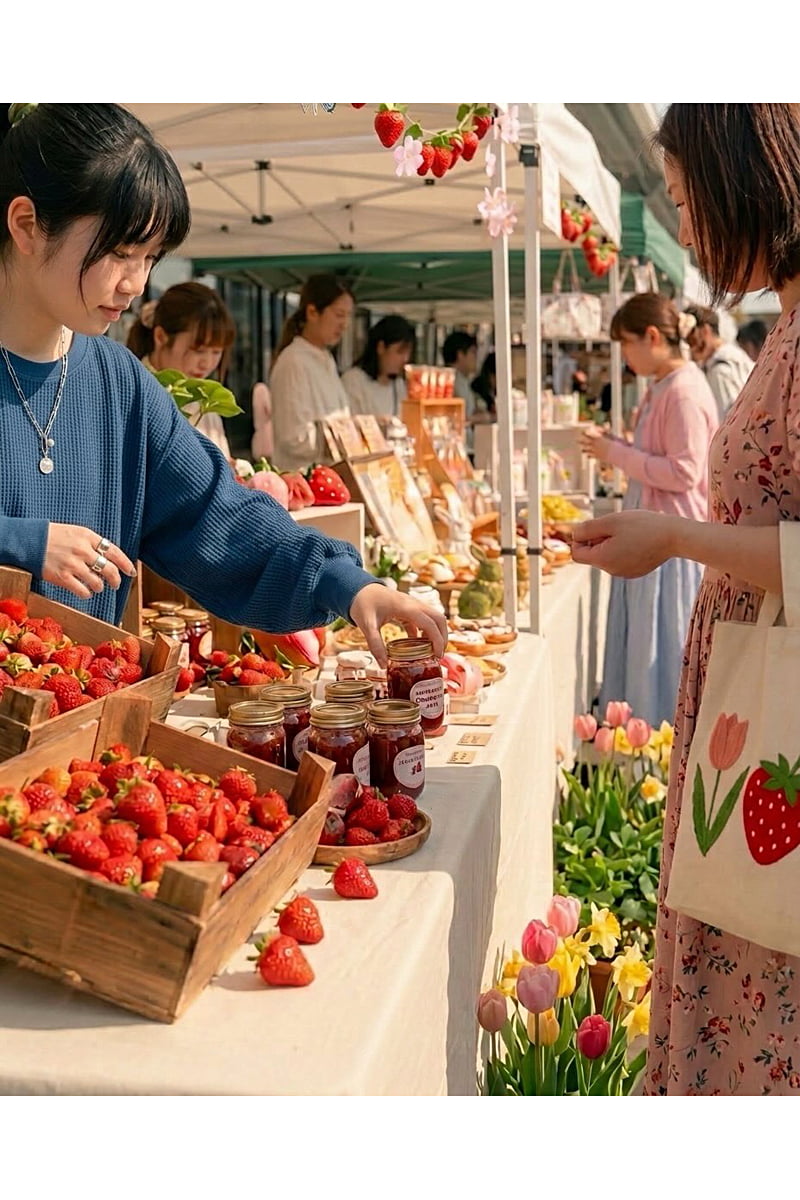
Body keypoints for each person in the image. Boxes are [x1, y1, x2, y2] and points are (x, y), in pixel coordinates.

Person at [0, 103, 445, 669]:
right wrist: (21, 544)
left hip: (80, 734)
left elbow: (217, 513)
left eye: (150, 257)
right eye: (119, 252)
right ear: (26, 226)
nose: (135, 283)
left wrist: (349, 586)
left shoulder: (119, 384)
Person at [572, 104, 800, 1096]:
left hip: (773, 723)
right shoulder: (783, 323)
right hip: (751, 713)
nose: (691, 232)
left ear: (747, 176)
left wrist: (673, 536)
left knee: (758, 952)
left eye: (685, 202)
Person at [578, 293, 718, 728]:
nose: (624, 355)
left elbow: (685, 471)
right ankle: (635, 747)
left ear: (652, 337)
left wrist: (616, 452)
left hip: (669, 549)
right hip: (656, 540)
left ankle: (653, 747)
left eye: (626, 343)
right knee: (645, 651)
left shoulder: (684, 392)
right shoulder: (666, 386)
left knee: (659, 655)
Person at [126, 281, 235, 459]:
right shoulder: (134, 390)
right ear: (161, 337)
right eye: (198, 350)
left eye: (216, 352)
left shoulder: (205, 396)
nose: (206, 363)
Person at [269, 275, 354, 472]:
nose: (345, 324)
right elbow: (293, 438)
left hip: (332, 477)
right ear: (312, 312)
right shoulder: (293, 361)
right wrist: (343, 435)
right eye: (339, 314)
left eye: (348, 316)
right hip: (304, 481)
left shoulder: (326, 359)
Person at [684, 302, 754, 421]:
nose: (689, 346)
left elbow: (726, 420)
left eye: (690, 339)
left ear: (705, 331)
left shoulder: (719, 371)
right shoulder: (736, 355)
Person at [341, 314, 414, 419]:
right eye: (399, 352)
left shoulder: (399, 385)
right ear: (381, 347)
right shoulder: (353, 381)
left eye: (408, 353)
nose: (405, 359)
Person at [442, 330, 479, 417]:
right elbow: (458, 415)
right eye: (473, 352)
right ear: (460, 354)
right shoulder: (449, 381)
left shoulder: (463, 380)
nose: (476, 358)